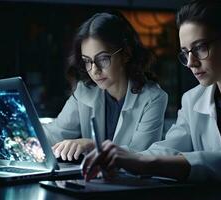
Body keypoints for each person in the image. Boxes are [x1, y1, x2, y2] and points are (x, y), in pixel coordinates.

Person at [82, 0, 221, 189]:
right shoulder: (192, 99)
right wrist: (121, 155)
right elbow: (168, 148)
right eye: (185, 52)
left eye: (200, 48)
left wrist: (143, 163)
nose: (190, 63)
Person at [43, 11, 168, 161]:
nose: (94, 70)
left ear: (126, 54)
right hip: (93, 182)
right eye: (87, 61)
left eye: (102, 59)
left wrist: (92, 146)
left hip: (135, 183)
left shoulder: (153, 98)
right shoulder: (84, 91)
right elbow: (54, 134)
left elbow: (139, 156)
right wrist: (19, 133)